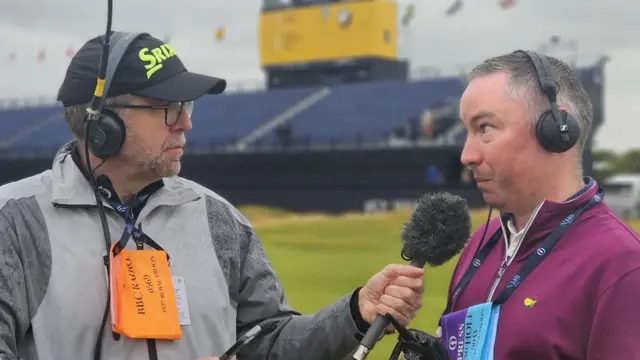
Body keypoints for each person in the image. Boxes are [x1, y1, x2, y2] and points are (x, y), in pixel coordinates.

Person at [0, 32, 425, 360]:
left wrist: (353, 313)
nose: (185, 123)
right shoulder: (13, 223)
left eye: (188, 106)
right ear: (102, 123)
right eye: (168, 107)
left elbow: (267, 342)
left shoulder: (220, 219)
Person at [437, 50, 640, 359]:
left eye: (485, 128)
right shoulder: (483, 240)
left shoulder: (622, 265)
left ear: (556, 129)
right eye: (468, 131)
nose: (467, 155)